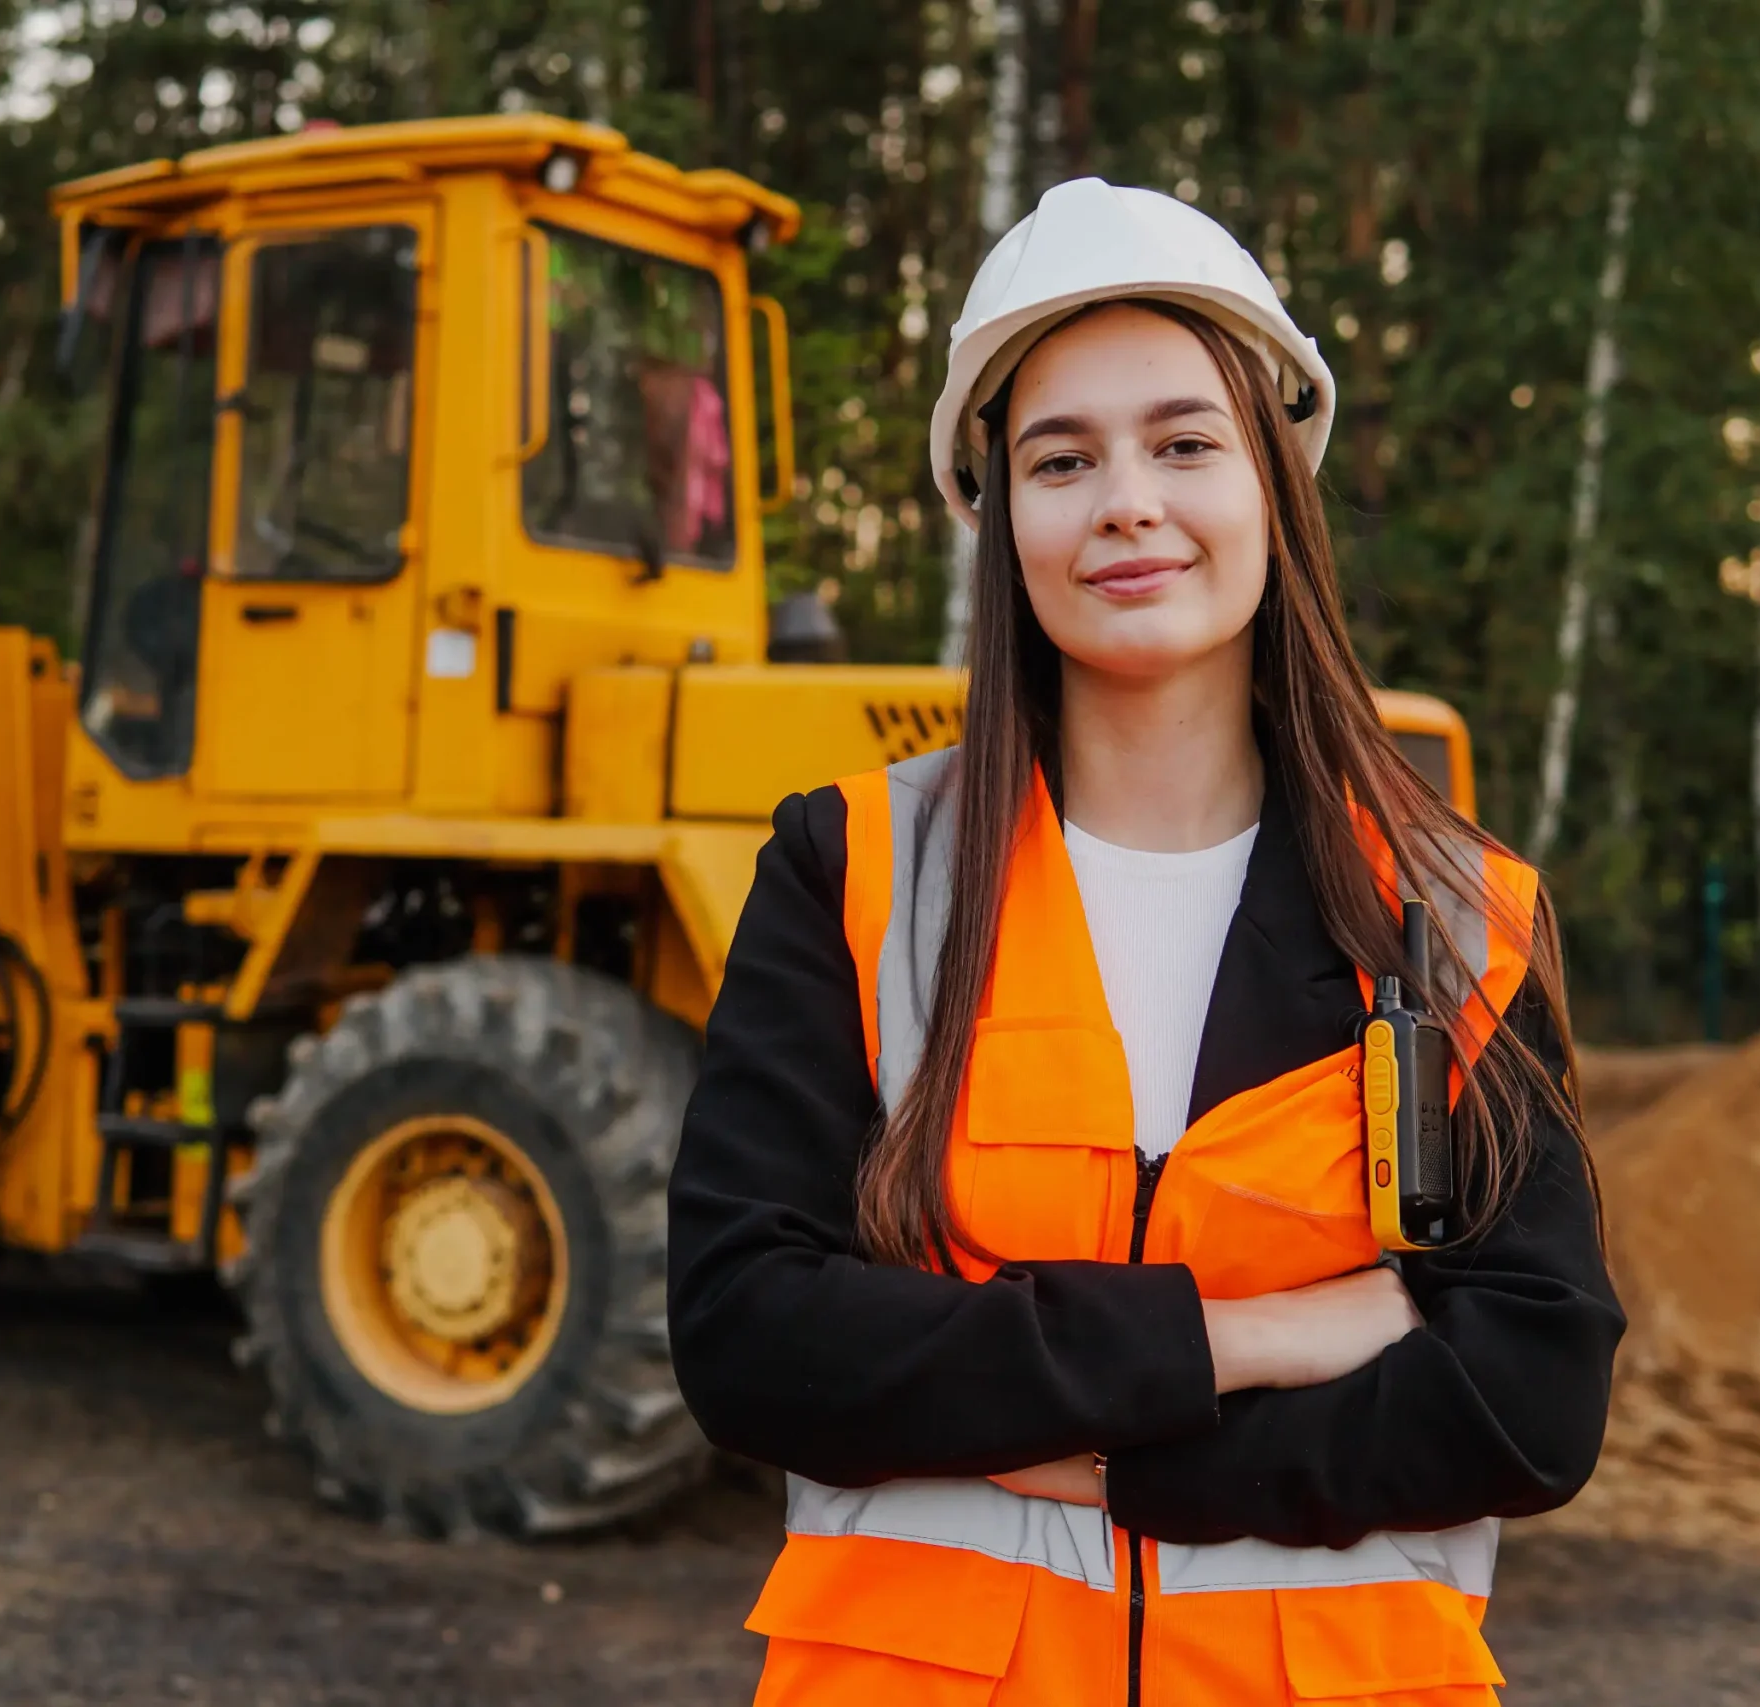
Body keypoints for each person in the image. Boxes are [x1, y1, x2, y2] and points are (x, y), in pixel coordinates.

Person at [666, 178, 1624, 1707]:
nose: (1126, 500)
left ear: (1273, 489)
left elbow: (1530, 1396)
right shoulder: (851, 873)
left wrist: (1123, 1467)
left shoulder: (1453, 912)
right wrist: (1247, 1337)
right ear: (1000, 517)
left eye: (1184, 442)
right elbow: (752, 1338)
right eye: (1064, 458)